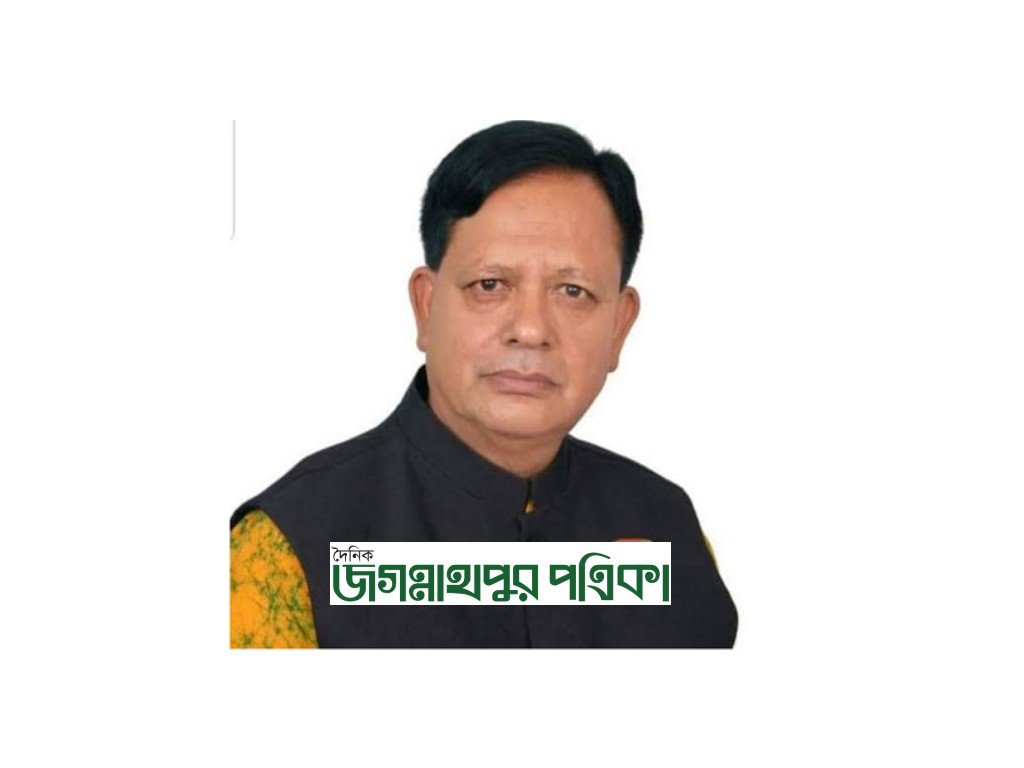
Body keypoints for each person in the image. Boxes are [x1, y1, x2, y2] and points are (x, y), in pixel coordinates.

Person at [229, 119, 738, 648]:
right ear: (426, 306)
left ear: (619, 327)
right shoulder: (288, 551)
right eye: (489, 284)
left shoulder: (666, 529)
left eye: (573, 291)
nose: (531, 330)